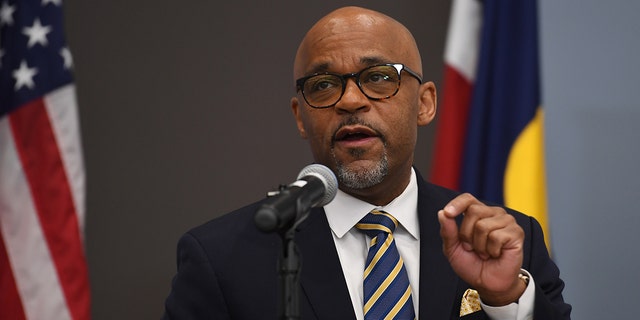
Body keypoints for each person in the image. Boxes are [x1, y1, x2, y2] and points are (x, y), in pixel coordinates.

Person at [162, 6, 571, 320]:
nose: (350, 101)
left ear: (425, 103)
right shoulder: (222, 258)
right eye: (323, 86)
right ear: (300, 116)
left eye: (378, 77)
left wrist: (504, 300)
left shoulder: (507, 243)